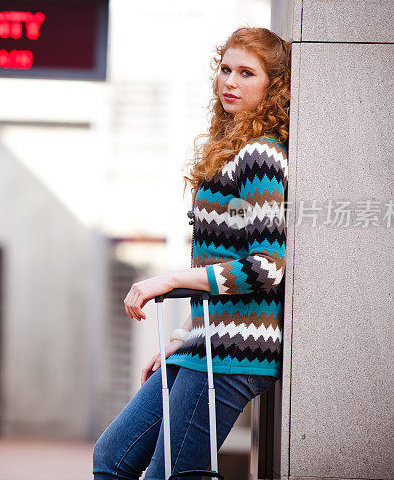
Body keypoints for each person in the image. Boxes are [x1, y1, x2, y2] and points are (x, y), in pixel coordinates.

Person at [92, 26, 291, 480]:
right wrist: (181, 339)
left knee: (172, 474)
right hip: (205, 343)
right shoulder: (233, 150)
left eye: (247, 73)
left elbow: (266, 267)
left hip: (235, 348)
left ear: (272, 86)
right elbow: (213, 262)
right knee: (112, 458)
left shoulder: (261, 155)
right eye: (225, 69)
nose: (230, 82)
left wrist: (171, 280)